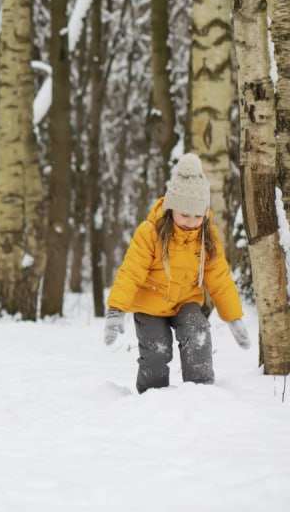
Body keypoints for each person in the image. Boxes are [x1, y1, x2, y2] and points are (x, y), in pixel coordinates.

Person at [103, 153, 252, 393]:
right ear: (171, 208)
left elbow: (220, 278)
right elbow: (130, 272)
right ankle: (153, 396)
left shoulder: (207, 238)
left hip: (186, 301)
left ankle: (201, 392)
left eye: (197, 215)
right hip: (150, 304)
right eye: (184, 214)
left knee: (197, 333)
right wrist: (116, 311)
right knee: (157, 350)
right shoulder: (150, 233)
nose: (191, 221)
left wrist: (233, 318)